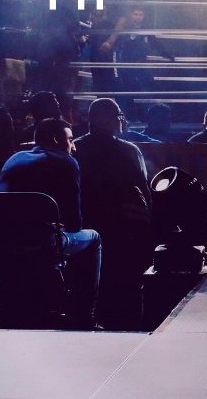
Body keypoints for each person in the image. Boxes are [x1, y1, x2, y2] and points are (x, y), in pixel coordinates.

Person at [0, 118, 102, 329]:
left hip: (3, 240)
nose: (74, 146)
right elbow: (74, 224)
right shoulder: (66, 162)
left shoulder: (14, 158)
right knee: (93, 238)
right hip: (45, 243)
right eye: (70, 140)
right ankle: (84, 315)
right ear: (56, 139)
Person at [73, 98, 152, 329]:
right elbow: (143, 193)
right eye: (116, 115)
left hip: (84, 226)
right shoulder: (129, 151)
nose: (120, 120)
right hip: (124, 231)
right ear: (103, 119)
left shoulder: (75, 148)